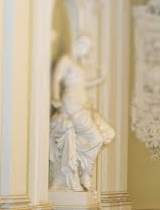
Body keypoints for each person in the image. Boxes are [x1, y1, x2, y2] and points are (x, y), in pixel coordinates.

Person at [49, 35, 115, 191]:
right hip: (72, 105)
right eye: (86, 47)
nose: (87, 51)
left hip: (84, 106)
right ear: (78, 44)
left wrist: (99, 78)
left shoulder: (79, 64)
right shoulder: (66, 60)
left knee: (108, 133)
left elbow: (82, 84)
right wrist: (56, 98)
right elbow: (56, 78)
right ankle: (85, 173)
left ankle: (82, 170)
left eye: (89, 48)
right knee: (97, 138)